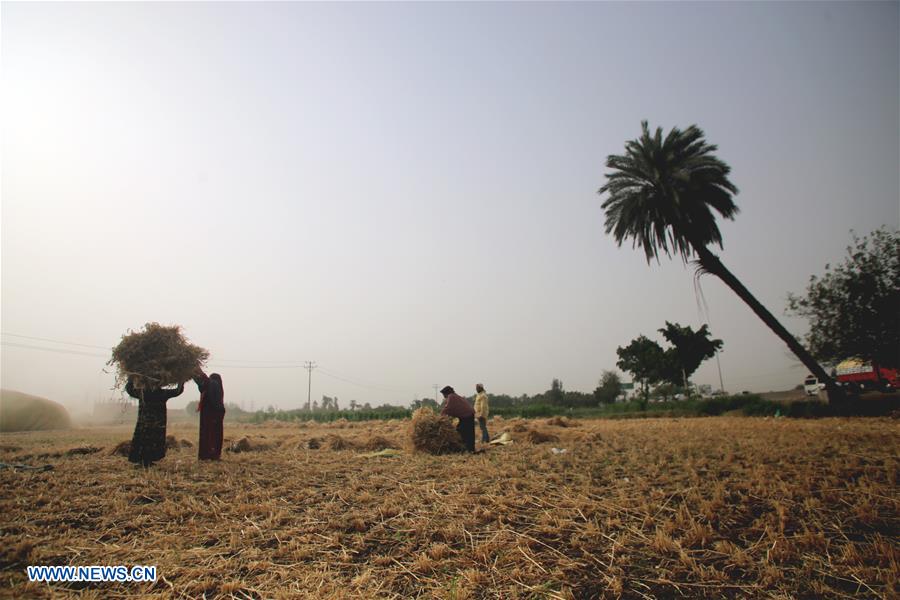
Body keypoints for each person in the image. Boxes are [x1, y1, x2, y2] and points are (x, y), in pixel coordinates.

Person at [125, 376, 184, 467]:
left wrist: (130, 378)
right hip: (157, 423)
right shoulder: (162, 393)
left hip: (144, 422)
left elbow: (129, 390)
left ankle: (143, 461)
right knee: (155, 441)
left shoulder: (143, 392)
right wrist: (181, 380)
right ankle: (149, 460)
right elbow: (177, 391)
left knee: (142, 440)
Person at [193, 370, 225, 460]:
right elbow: (202, 384)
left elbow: (204, 382)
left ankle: (208, 455)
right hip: (215, 414)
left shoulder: (212, 384)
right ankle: (212, 455)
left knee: (209, 435)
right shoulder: (215, 385)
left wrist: (194, 370)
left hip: (211, 414)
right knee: (214, 436)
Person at [439, 385, 475, 453]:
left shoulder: (451, 397)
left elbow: (448, 408)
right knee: (465, 431)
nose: (443, 396)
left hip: (467, 415)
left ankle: (469, 449)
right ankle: (468, 448)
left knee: (463, 431)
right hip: (467, 415)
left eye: (443, 394)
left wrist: (440, 416)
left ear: (446, 393)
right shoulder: (454, 396)